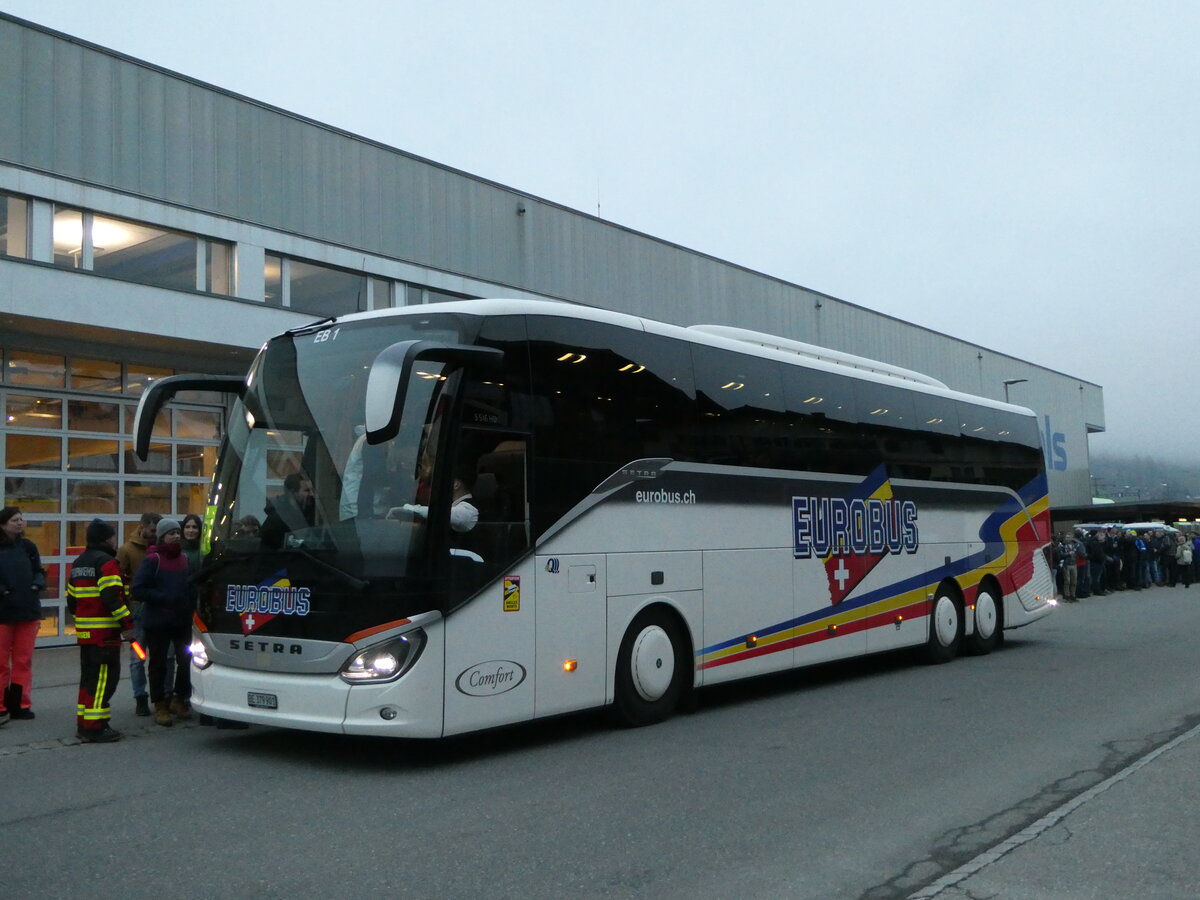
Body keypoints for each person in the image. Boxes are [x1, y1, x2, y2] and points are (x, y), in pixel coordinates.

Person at [66, 518, 134, 743]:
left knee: (89, 679)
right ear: (106, 539)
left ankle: (84, 722)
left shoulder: (78, 563)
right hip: (105, 635)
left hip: (86, 635)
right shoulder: (106, 563)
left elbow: (72, 601)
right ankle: (95, 727)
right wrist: (127, 626)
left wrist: (83, 623)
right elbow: (112, 597)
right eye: (114, 536)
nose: (116, 540)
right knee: (105, 679)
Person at [131, 518, 194, 726]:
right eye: (171, 533)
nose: (176, 536)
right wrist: (164, 597)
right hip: (158, 621)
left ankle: (178, 699)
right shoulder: (153, 560)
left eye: (177, 532)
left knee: (187, 661)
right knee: (158, 665)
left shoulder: (184, 559)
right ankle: (159, 705)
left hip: (182, 620)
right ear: (162, 537)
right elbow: (137, 590)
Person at [0, 506, 46, 720]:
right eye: (14, 520)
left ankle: (20, 704)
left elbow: (39, 570)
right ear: (3, 524)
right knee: (0, 662)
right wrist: (4, 590)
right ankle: (1, 705)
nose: (19, 523)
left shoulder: (28, 546)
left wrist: (37, 585)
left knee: (23, 660)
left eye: (21, 519)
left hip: (27, 611)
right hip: (3, 612)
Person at [117, 512, 161, 717]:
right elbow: (117, 583)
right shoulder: (127, 550)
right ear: (141, 527)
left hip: (159, 613)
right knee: (138, 658)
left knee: (162, 658)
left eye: (157, 531)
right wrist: (125, 616)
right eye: (152, 530)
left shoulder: (162, 550)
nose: (155, 535)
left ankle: (162, 697)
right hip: (136, 614)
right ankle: (140, 697)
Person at [388, 465, 479, 534]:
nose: (439, 485)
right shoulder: (456, 506)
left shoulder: (468, 510)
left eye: (444, 480)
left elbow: (440, 513)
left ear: (456, 485)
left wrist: (407, 508)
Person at [261, 473, 315, 549]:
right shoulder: (276, 520)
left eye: (312, 490)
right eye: (307, 490)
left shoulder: (313, 515)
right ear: (293, 493)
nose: (312, 494)